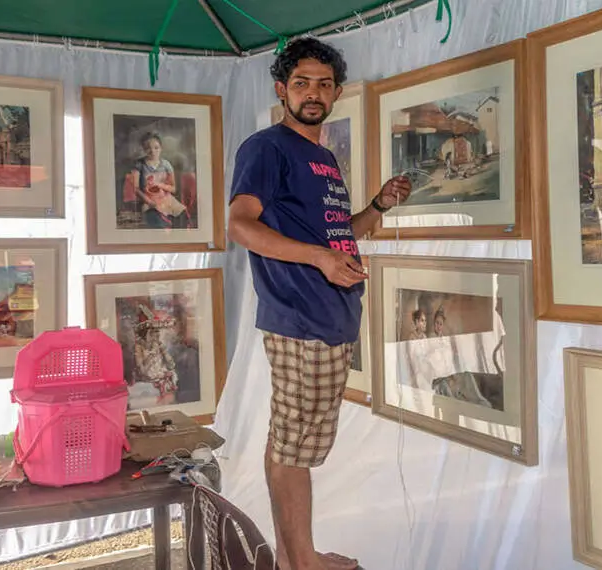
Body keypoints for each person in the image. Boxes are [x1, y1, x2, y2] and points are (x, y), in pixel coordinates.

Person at [227, 37, 411, 570]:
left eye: (324, 84)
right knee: (293, 446)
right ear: (282, 89)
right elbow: (240, 224)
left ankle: (293, 555)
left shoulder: (322, 157)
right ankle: (302, 561)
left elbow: (337, 237)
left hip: (330, 317)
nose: (313, 93)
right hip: (298, 316)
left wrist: (377, 205)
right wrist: (319, 261)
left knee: (294, 442)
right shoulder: (267, 147)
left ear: (336, 92)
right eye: (302, 82)